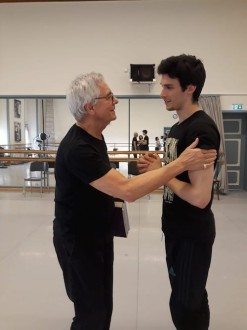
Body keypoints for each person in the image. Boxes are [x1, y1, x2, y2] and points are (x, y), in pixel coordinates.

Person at [53, 72, 216, 330]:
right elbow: (127, 190)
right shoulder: (78, 148)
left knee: (103, 307)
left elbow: (112, 183)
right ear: (90, 107)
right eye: (109, 97)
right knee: (90, 313)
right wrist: (179, 165)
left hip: (98, 236)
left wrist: (161, 169)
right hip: (78, 242)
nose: (115, 100)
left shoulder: (96, 137)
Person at [138, 54, 220, 330]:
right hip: (176, 229)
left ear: (190, 88)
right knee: (189, 297)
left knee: (185, 305)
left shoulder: (201, 130)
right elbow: (175, 172)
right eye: (162, 86)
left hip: (191, 234)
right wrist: (159, 168)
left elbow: (200, 197)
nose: (162, 93)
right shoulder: (177, 127)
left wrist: (164, 173)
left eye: (169, 87)